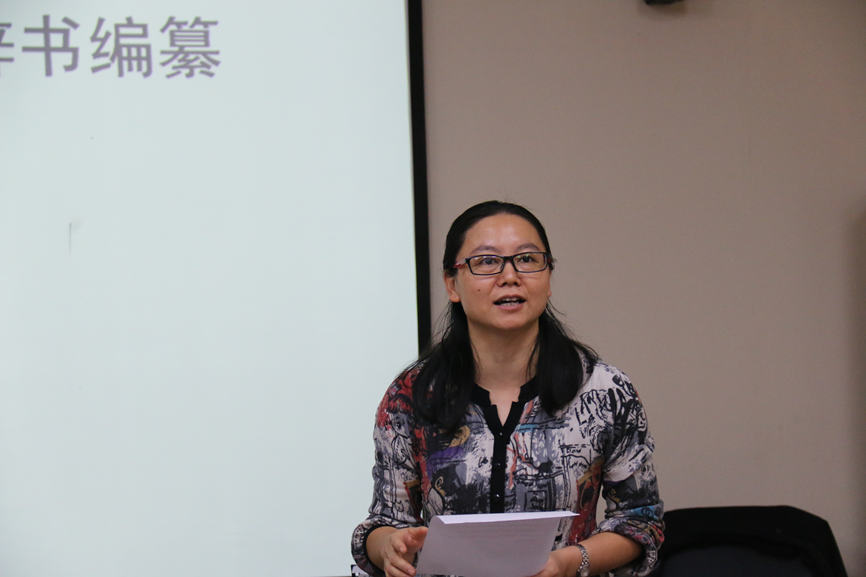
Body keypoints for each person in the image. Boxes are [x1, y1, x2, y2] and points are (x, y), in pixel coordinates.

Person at [351, 201, 663, 577]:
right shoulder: (412, 395)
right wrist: (389, 545)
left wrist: (568, 562)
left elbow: (639, 521)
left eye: (527, 259)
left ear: (548, 278)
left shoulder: (605, 392)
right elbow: (385, 521)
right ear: (452, 283)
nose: (510, 276)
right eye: (487, 261)